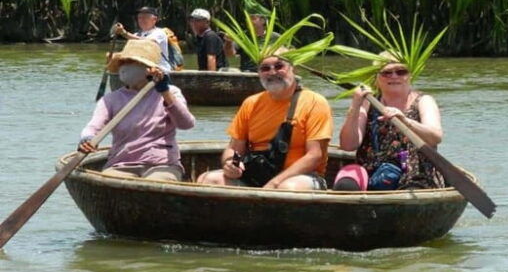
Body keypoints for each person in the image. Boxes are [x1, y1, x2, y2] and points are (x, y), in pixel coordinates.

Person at [197, 53, 333, 190]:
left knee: (287, 188)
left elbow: (314, 156)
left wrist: (274, 183)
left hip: (301, 177)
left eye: (279, 66)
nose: (272, 72)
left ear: (293, 69)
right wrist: (229, 163)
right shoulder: (251, 103)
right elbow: (234, 147)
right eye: (265, 68)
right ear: (259, 73)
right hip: (257, 174)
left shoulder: (315, 102)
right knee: (208, 179)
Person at [78, 39, 196, 181]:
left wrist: (165, 92)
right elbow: (93, 126)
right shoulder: (111, 99)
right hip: (121, 163)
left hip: (162, 164)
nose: (125, 68)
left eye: (131, 62)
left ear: (148, 69)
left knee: (156, 183)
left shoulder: (170, 92)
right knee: (110, 182)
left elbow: (186, 124)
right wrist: (87, 139)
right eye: (123, 63)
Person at [335, 55, 445, 191]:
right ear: (377, 78)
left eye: (401, 71)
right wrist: (355, 106)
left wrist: (405, 121)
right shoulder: (368, 103)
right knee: (345, 184)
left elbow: (435, 137)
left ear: (409, 75)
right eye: (387, 72)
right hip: (373, 174)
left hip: (414, 175)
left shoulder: (423, 101)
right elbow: (348, 145)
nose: (394, 76)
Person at [114, 6, 172, 72]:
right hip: (141, 68)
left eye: (145, 18)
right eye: (140, 18)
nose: (142, 20)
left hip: (160, 69)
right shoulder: (136, 34)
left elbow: (147, 43)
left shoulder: (160, 33)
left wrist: (124, 33)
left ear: (154, 19)